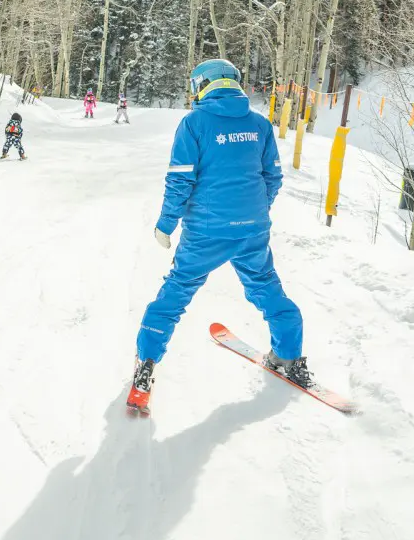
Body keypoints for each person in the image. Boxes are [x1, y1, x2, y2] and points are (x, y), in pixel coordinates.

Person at [127, 59, 310, 414]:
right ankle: (289, 356)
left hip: (206, 233)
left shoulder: (194, 123)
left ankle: (146, 364)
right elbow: (272, 177)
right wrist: (254, 212)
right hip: (252, 230)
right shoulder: (259, 124)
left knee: (175, 293)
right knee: (267, 287)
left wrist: (166, 224)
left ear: (202, 85)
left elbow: (180, 180)